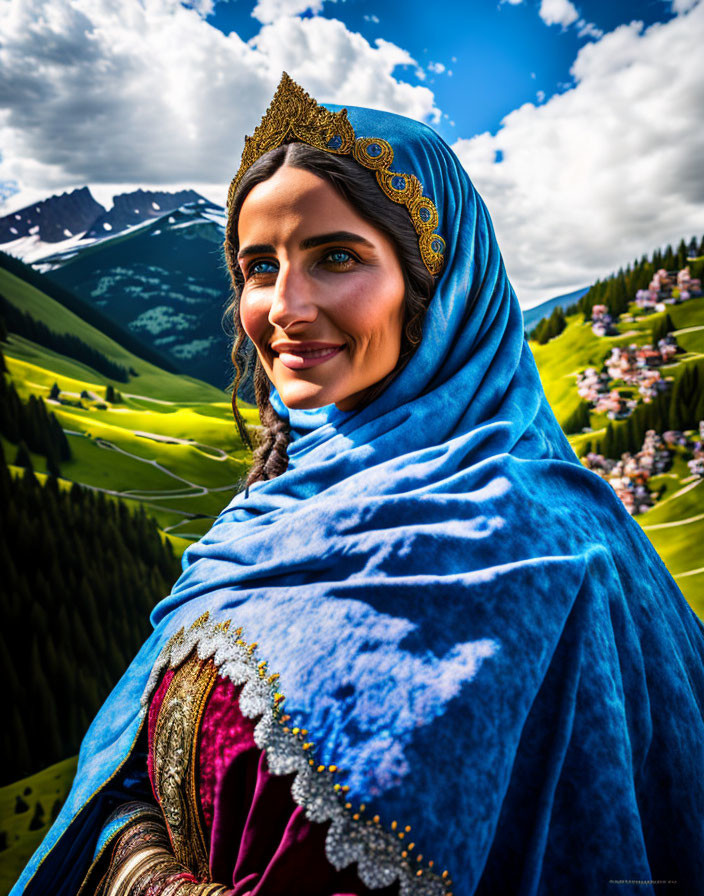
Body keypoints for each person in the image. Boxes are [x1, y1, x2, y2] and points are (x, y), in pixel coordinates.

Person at [12, 73, 704, 896]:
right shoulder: (263, 513)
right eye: (259, 267)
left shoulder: (544, 547)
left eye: (336, 257)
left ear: (440, 286)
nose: (285, 307)